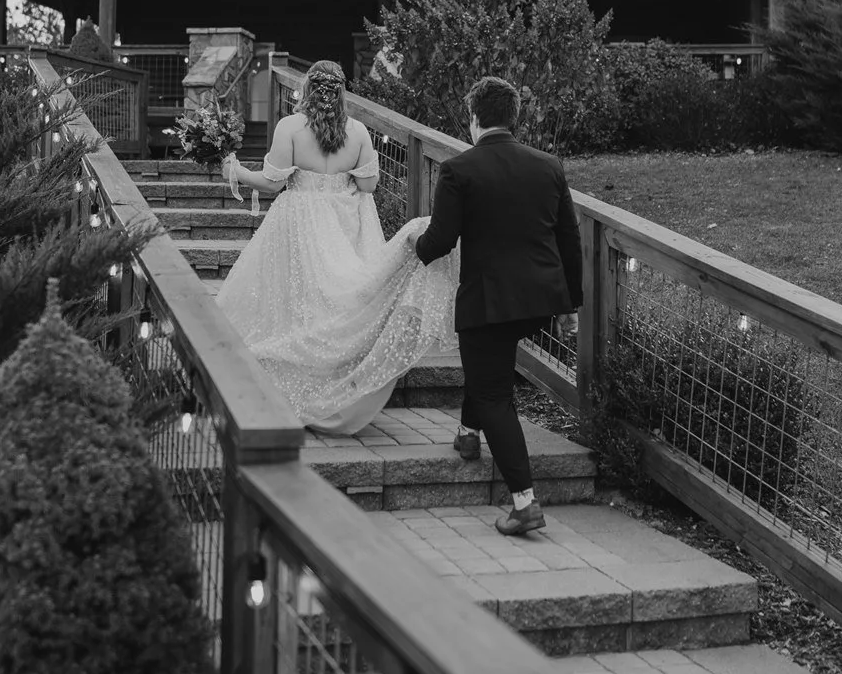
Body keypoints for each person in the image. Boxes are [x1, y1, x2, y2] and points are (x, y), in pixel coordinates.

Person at [218, 61, 460, 434]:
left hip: (298, 223)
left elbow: (269, 183)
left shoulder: (290, 128)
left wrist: (234, 169)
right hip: (344, 225)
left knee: (298, 304)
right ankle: (338, 391)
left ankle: (292, 386)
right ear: (342, 92)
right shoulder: (360, 132)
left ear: (307, 90)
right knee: (340, 304)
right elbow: (367, 187)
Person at [415, 76, 582, 536]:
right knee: (486, 363)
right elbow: (569, 239)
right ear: (514, 118)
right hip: (538, 301)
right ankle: (468, 436)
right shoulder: (548, 166)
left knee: (494, 394)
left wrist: (415, 247)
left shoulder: (458, 170)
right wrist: (571, 305)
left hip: (489, 302)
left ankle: (525, 503)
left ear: (473, 120)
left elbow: (441, 240)